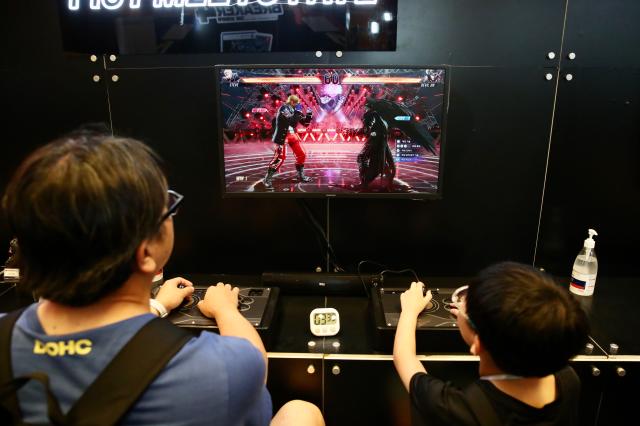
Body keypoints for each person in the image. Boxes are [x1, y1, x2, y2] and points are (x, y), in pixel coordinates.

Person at [0, 132, 323, 425]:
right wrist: (226, 311)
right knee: (301, 412)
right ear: (145, 254)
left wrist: (154, 306)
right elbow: (254, 363)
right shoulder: (217, 370)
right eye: (166, 206)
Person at [393, 262, 590, 426]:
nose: (461, 305)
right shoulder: (568, 379)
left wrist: (409, 311)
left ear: (477, 346)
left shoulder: (458, 410)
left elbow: (404, 356)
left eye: (465, 307)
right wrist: (481, 321)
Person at [264, 94, 313, 189]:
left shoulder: (296, 111)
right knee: (280, 157)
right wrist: (298, 111)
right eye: (296, 103)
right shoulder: (284, 108)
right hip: (283, 136)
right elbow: (292, 121)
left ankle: (300, 175)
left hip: (293, 136)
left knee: (302, 154)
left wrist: (309, 115)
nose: (297, 105)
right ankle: (267, 179)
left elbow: (305, 124)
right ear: (291, 102)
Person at [356, 98, 396, 189]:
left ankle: (366, 181)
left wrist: (365, 132)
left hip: (376, 141)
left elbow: (368, 128)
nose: (364, 108)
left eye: (365, 107)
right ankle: (387, 181)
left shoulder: (370, 115)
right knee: (384, 161)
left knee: (363, 158)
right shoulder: (381, 116)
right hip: (381, 141)